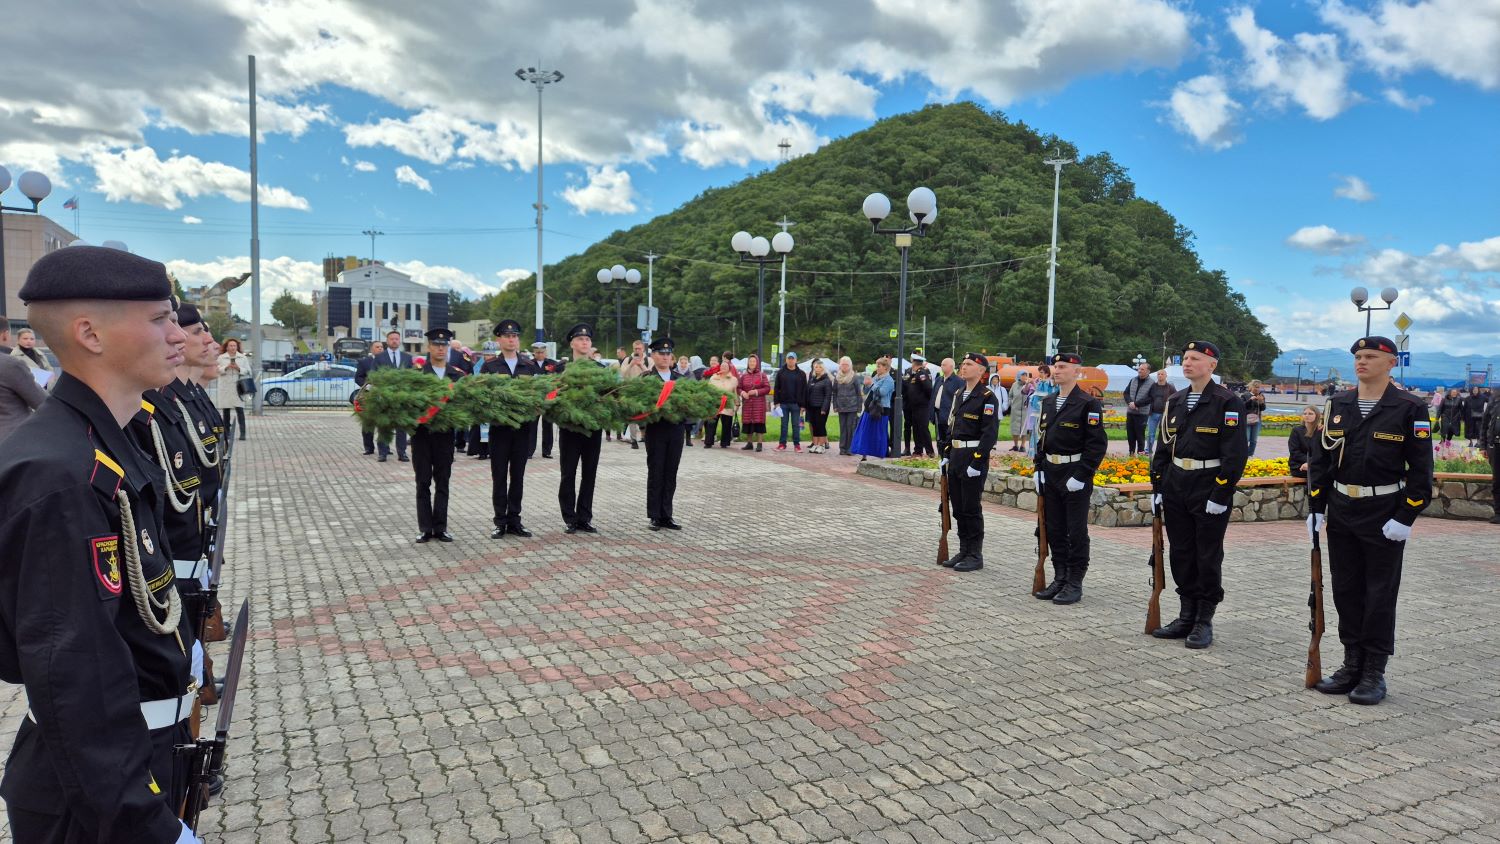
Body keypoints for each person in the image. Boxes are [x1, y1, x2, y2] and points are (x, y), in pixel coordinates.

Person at [1, 245, 204, 844]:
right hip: (96, 799)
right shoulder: (58, 472)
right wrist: (142, 824)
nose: (179, 334)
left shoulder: (100, 444)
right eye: (159, 319)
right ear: (89, 333)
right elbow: (75, 678)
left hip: (138, 758)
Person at [1308, 336, 1435, 705]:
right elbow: (1321, 460)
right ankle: (1351, 664)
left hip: (1384, 512)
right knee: (1345, 589)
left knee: (1379, 592)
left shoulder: (1409, 407)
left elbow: (1422, 468)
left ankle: (1374, 671)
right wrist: (1316, 506)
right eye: (1358, 356)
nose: (1361, 362)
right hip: (1343, 508)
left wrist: (1407, 514)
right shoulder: (1339, 404)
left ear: (1391, 362)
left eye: (1370, 356)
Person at [1148, 341, 1248, 650]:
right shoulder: (1176, 400)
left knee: (1207, 554)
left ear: (1212, 365)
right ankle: (1185, 614)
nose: (1188, 363)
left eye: (1195, 358)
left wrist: (1221, 493)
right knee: (1181, 552)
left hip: (1208, 484)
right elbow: (1164, 446)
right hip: (1177, 482)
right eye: (1186, 358)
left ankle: (1204, 619)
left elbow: (1235, 454)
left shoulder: (1227, 402)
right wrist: (1159, 486)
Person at [1032, 353, 1109, 602]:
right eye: (1055, 367)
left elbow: (1096, 444)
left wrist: (1083, 474)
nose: (1057, 371)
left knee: (1075, 530)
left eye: (1063, 367)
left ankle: (1075, 582)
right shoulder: (1049, 401)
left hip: (1074, 473)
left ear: (1077, 372)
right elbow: (1041, 440)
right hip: (1051, 472)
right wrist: (1038, 468)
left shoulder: (1088, 404)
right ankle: (1060, 577)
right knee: (1054, 528)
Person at [937, 354, 1000, 573]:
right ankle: (963, 550)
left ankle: (975, 554)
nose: (963, 367)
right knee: (958, 508)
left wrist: (978, 461)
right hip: (956, 455)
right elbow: (951, 426)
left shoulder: (987, 397)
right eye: (962, 364)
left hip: (973, 456)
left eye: (969, 364)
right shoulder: (958, 394)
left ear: (981, 371)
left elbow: (989, 433)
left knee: (971, 508)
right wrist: (946, 451)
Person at [481, 322, 541, 538]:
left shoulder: (529, 367)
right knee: (499, 476)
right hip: (500, 431)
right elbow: (484, 397)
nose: (511, 339)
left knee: (518, 476)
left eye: (514, 335)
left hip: (522, 431)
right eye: (506, 336)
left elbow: (538, 398)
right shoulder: (490, 367)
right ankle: (500, 522)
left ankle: (515, 520)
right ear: (499, 339)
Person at [411, 328, 466, 543]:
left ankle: (440, 527)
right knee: (422, 482)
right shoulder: (418, 375)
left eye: (444, 345)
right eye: (436, 344)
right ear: (429, 347)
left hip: (445, 436)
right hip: (422, 436)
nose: (440, 348)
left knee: (443, 481)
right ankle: (425, 528)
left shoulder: (457, 376)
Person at [558, 323, 609, 533]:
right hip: (569, 430)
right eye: (580, 339)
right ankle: (570, 518)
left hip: (593, 430)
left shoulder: (600, 370)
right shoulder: (562, 369)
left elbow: (610, 397)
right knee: (568, 474)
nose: (584, 342)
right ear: (572, 343)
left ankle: (584, 518)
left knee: (590, 474)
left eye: (587, 339)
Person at [642, 338, 685, 530]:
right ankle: (654, 515)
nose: (665, 357)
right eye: (661, 353)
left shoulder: (680, 379)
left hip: (676, 430)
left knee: (671, 473)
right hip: (656, 431)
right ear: (653, 355)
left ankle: (667, 514)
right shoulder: (647, 379)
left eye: (668, 353)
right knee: (656, 471)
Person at [370, 330, 412, 462]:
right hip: (385, 397)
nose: (394, 341)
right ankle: (382, 453)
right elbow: (373, 375)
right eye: (392, 339)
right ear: (387, 341)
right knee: (384, 425)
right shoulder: (380, 357)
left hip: (402, 397)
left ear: (400, 341)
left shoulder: (407, 357)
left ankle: (402, 452)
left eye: (397, 339)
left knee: (401, 427)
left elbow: (411, 376)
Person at [0, 331, 48, 444]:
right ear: (6, 335)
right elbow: (41, 400)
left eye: (31, 339)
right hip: (12, 439)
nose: (28, 341)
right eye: (25, 338)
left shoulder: (40, 354)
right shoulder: (11, 362)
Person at [849, 358, 893, 462]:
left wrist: (872, 384)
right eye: (877, 366)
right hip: (869, 408)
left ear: (885, 368)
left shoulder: (889, 380)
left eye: (879, 366)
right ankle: (864, 454)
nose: (877, 368)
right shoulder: (876, 377)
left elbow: (882, 392)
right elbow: (866, 391)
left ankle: (880, 454)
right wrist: (866, 384)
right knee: (865, 431)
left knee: (879, 433)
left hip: (881, 410)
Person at [355, 340, 387, 456]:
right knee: (368, 423)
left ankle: (385, 448)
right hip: (369, 395)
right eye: (377, 347)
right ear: (371, 349)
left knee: (385, 422)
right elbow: (358, 377)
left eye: (382, 347)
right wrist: (368, 386)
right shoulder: (364, 362)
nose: (380, 349)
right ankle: (369, 447)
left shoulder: (387, 361)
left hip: (384, 395)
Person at [215, 337, 250, 441]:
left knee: (240, 410)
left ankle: (242, 433)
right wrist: (226, 367)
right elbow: (216, 370)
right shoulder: (221, 358)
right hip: (225, 386)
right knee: (226, 411)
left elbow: (248, 370)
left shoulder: (242, 358)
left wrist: (238, 368)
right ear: (226, 347)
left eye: (234, 345)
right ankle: (227, 433)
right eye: (230, 345)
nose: (233, 347)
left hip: (238, 387)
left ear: (237, 347)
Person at [529, 341, 559, 458]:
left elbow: (557, 380)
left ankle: (546, 451)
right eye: (537, 352)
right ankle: (529, 451)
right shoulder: (529, 364)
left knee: (548, 426)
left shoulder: (552, 364)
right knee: (532, 426)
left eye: (542, 352)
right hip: (535, 399)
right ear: (534, 353)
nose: (540, 354)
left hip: (548, 399)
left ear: (545, 352)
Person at [773, 351, 807, 451]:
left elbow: (804, 390)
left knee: (796, 425)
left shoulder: (801, 374)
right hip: (783, 404)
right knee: (784, 425)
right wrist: (776, 402)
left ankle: (797, 445)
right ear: (786, 360)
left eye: (793, 358)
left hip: (796, 404)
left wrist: (803, 405)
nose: (791, 360)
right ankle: (782, 444)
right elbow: (776, 388)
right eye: (789, 358)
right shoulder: (781, 372)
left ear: (796, 360)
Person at [902, 353, 935, 457]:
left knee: (923, 428)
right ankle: (918, 450)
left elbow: (929, 389)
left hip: (922, 406)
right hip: (914, 407)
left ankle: (930, 451)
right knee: (916, 428)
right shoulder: (915, 373)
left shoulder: (921, 373)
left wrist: (924, 400)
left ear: (914, 363)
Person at [737, 354, 771, 452]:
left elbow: (767, 388)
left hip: (758, 404)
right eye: (750, 361)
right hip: (747, 404)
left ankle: (759, 443)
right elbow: (739, 388)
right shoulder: (743, 376)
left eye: (754, 361)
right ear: (748, 363)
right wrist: (743, 393)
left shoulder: (762, 375)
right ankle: (749, 443)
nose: (752, 363)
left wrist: (756, 392)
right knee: (748, 424)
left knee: (759, 424)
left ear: (757, 363)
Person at [831, 356, 864, 456]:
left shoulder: (854, 377)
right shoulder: (837, 378)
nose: (844, 366)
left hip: (852, 407)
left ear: (850, 366)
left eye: (846, 365)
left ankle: (850, 448)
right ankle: (842, 448)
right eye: (842, 364)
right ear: (840, 366)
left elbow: (859, 393)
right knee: (843, 428)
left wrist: (859, 407)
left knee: (851, 428)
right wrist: (835, 406)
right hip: (841, 407)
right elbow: (834, 393)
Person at [619, 340, 648, 449]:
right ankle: (633, 440)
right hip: (631, 391)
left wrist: (641, 365)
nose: (637, 351)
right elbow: (622, 374)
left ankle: (645, 436)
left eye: (639, 348)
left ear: (643, 349)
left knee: (646, 416)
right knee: (632, 417)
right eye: (635, 348)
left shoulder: (648, 360)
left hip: (645, 391)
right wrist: (631, 365)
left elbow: (652, 374)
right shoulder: (628, 359)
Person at [703, 362, 739, 448]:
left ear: (729, 368)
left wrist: (737, 403)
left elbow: (735, 392)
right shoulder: (713, 378)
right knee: (711, 423)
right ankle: (708, 442)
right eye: (722, 366)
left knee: (727, 424)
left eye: (725, 366)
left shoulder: (734, 379)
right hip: (715, 404)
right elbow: (709, 391)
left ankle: (725, 443)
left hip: (728, 404)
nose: (723, 367)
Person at [1122, 361, 1153, 456]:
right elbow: (1126, 393)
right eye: (1139, 369)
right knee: (1130, 435)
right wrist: (1130, 403)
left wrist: (1136, 404)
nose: (1139, 371)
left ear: (1148, 371)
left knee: (1140, 436)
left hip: (1142, 414)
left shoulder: (1152, 383)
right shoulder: (1133, 380)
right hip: (1130, 413)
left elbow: (1150, 398)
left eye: (1142, 369)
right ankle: (1131, 454)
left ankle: (1140, 455)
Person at [931, 357, 963, 446]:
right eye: (941, 364)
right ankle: (941, 457)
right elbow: (933, 396)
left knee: (948, 438)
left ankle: (948, 457)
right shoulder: (938, 380)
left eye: (944, 365)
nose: (941, 366)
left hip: (949, 415)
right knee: (939, 438)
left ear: (951, 367)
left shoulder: (958, 381)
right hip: (937, 414)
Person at [804, 359, 834, 453]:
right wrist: (806, 405)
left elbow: (828, 396)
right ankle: (815, 444)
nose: (817, 368)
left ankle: (821, 446)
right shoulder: (812, 379)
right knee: (815, 426)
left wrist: (824, 408)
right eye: (816, 367)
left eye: (820, 367)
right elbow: (808, 393)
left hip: (821, 408)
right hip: (811, 407)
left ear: (823, 369)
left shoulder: (826, 380)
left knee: (821, 426)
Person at [1146, 369, 1176, 456]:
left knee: (1163, 434)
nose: (1160, 375)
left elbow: (1176, 397)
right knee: (1150, 434)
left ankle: (1161, 451)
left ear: (1166, 376)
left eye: (1162, 374)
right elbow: (1147, 397)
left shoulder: (1170, 387)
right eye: (1158, 374)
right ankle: (1148, 450)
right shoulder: (1153, 386)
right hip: (1153, 414)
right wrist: (1137, 404)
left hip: (1165, 414)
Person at [1027, 364, 1056, 455]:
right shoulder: (1041, 382)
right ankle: (1034, 453)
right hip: (1037, 412)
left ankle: (1042, 452)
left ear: (1047, 374)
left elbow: (1045, 395)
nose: (1040, 374)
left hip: (1046, 412)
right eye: (1039, 372)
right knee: (1035, 432)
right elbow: (1037, 395)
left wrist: (1034, 384)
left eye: (1042, 372)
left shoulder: (1049, 383)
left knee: (1044, 432)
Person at [1481, 390, 1499, 525]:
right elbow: (1484, 423)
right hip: (1496, 446)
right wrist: (1483, 446)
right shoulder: (1494, 400)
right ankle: (1498, 513)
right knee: (1497, 481)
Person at [1288, 405, 1321, 479]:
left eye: (1310, 414)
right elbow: (1294, 452)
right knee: (1317, 472)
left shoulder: (1320, 431)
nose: (1307, 416)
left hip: (1316, 463)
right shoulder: (1296, 431)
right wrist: (1309, 462)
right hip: (1299, 465)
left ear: (1317, 415)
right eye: (1305, 413)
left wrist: (1311, 463)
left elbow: (1322, 452)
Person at [1006, 370, 1030, 452]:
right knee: (1014, 428)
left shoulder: (1029, 385)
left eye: (1026, 375)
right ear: (1019, 376)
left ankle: (1023, 446)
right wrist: (1011, 403)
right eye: (1023, 375)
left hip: (1026, 410)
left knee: (1024, 428)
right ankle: (1015, 445)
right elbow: (1010, 396)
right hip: (1015, 410)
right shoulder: (1014, 385)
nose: (1024, 377)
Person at [1243, 382, 1268, 456]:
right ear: (1251, 387)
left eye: (1258, 387)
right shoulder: (1245, 395)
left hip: (1257, 420)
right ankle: (1244, 454)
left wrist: (1261, 402)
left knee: (1254, 440)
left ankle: (1250, 454)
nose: (1257, 389)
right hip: (1247, 420)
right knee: (1246, 439)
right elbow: (1242, 406)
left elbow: (1263, 408)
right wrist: (1250, 400)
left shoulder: (1261, 396)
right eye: (1256, 387)